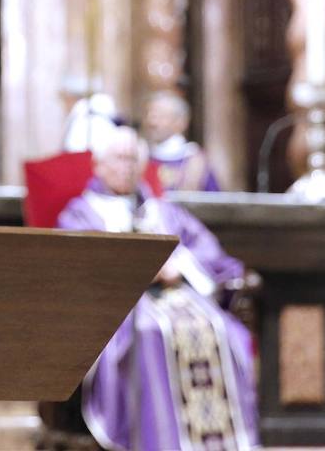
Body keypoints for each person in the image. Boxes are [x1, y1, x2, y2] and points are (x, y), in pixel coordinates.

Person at [57, 126, 258, 451]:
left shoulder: (162, 210)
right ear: (98, 165)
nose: (127, 166)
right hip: (123, 308)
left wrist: (180, 265)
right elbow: (74, 265)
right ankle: (157, 440)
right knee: (151, 333)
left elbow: (206, 248)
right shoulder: (81, 213)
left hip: (181, 296)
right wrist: (135, 270)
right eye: (119, 158)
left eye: (133, 158)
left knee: (224, 330)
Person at [144, 91, 221, 192]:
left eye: (160, 116)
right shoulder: (142, 157)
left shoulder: (194, 160)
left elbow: (213, 201)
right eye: (150, 116)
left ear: (181, 122)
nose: (152, 122)